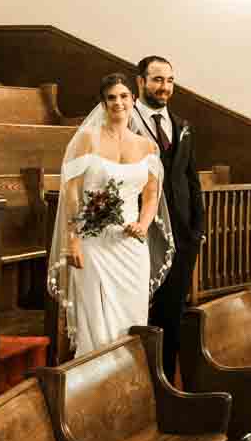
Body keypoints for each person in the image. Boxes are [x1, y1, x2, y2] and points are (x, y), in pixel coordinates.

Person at [46, 73, 174, 357]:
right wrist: (72, 240)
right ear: (103, 104)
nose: (118, 103)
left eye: (124, 96)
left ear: (133, 99)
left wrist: (143, 224)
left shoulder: (146, 146)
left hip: (130, 246)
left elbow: (151, 195)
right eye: (111, 98)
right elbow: (71, 193)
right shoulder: (86, 140)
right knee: (97, 320)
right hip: (93, 243)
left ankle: (129, 377)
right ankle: (96, 380)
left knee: (133, 315)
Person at [134, 55, 205, 378]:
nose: (165, 87)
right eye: (158, 80)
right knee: (144, 311)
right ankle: (141, 378)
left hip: (183, 235)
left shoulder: (183, 125)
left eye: (170, 81)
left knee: (174, 311)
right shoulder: (128, 120)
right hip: (143, 231)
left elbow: (191, 180)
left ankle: (166, 380)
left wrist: (197, 228)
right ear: (141, 82)